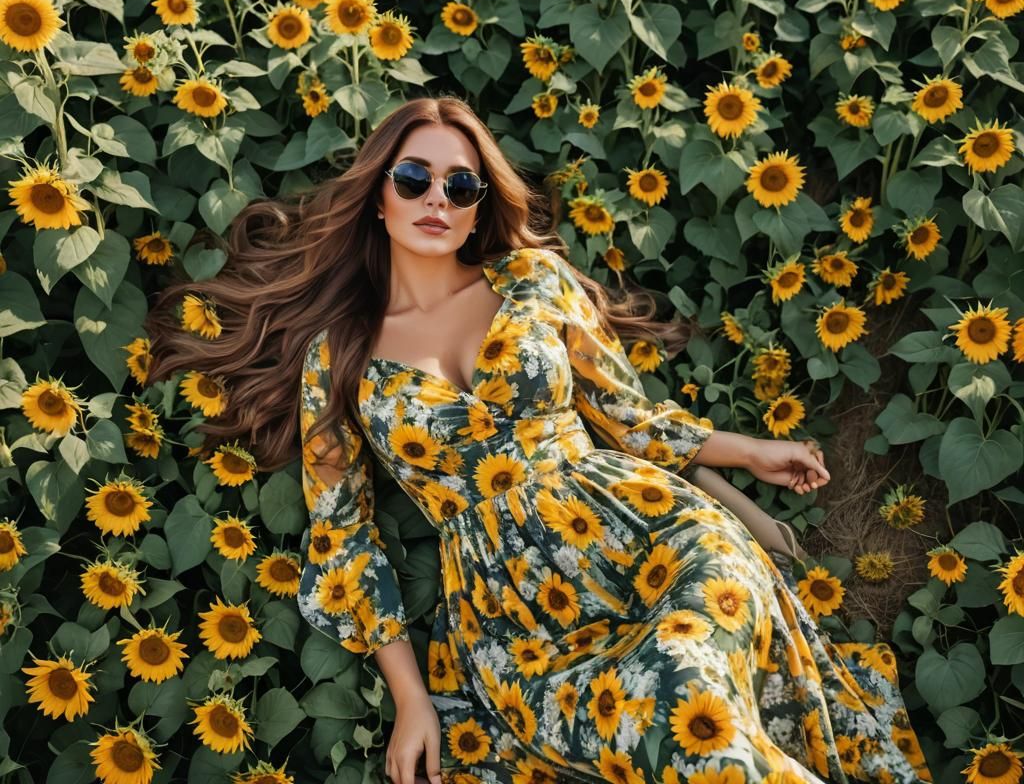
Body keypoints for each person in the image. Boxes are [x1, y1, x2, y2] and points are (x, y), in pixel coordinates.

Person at [144, 95, 933, 784]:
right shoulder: (340, 356)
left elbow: (628, 418)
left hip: (651, 539)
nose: (437, 201)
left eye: (461, 186)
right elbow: (345, 539)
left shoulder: (533, 283)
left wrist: (751, 452)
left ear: (481, 204)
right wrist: (412, 702)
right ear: (377, 194)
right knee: (673, 733)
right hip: (513, 620)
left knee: (694, 700)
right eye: (415, 178)